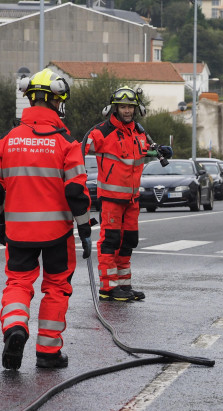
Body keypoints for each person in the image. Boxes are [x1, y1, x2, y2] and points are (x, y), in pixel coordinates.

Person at [0, 68, 93, 370]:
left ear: (30, 99)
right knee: (56, 287)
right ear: (57, 100)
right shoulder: (66, 142)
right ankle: (48, 352)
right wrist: (84, 228)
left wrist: (0, 220)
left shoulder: (7, 140)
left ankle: (15, 327)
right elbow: (76, 192)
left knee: (18, 282)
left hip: (18, 232)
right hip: (57, 232)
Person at [84, 86, 171, 302]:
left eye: (130, 107)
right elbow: (77, 150)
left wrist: (160, 150)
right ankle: (108, 287)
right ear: (115, 108)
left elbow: (143, 153)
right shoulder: (102, 132)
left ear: (136, 109)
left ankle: (123, 285)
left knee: (128, 241)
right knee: (110, 241)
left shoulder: (139, 133)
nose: (127, 111)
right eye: (123, 107)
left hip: (132, 200)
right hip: (111, 199)